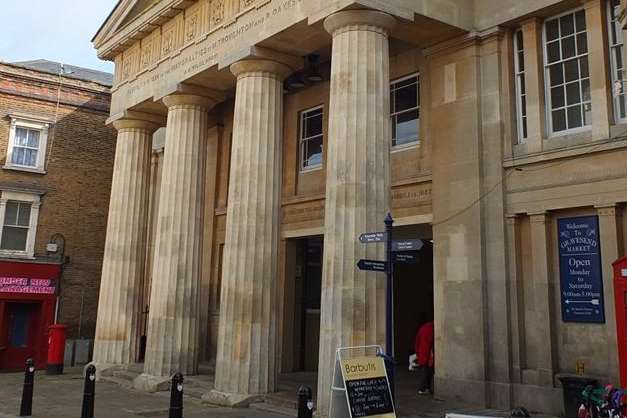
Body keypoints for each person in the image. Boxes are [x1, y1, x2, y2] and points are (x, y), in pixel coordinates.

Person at [414, 319, 434, 395]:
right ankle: (422, 389)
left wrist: (417, 352)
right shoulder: (431, 329)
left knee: (427, 371)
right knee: (427, 372)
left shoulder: (422, 328)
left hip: (421, 352)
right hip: (428, 354)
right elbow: (431, 342)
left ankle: (428, 388)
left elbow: (417, 341)